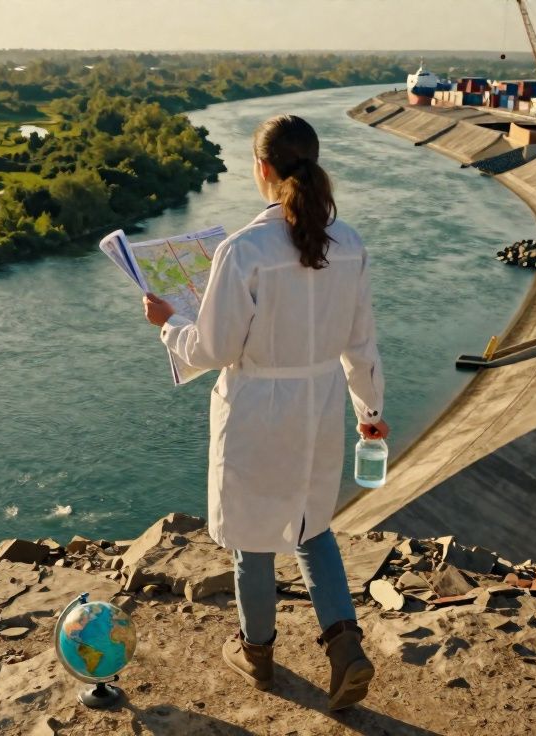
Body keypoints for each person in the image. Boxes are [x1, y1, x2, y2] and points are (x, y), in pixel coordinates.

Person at [141, 114, 387, 710]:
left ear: (263, 169)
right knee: (311, 526)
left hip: (255, 410)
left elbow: (215, 350)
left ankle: (256, 654)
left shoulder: (242, 250)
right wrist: (370, 412)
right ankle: (345, 650)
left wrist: (169, 322)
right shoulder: (347, 243)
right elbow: (361, 343)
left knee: (251, 537)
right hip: (321, 406)